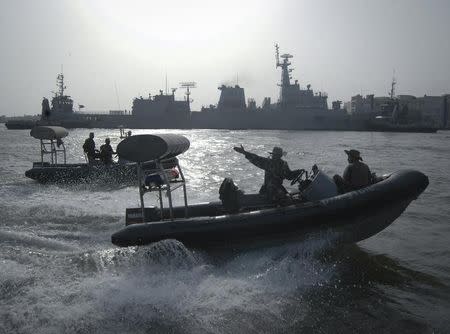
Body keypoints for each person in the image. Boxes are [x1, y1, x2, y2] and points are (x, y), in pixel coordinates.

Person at [234, 145, 302, 203]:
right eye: (274, 155)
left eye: (277, 155)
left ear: (280, 156)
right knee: (287, 200)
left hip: (277, 187)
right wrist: (244, 152)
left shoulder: (283, 164)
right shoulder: (268, 162)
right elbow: (256, 158)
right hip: (270, 188)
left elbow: (289, 175)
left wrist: (297, 172)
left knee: (287, 197)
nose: (275, 157)